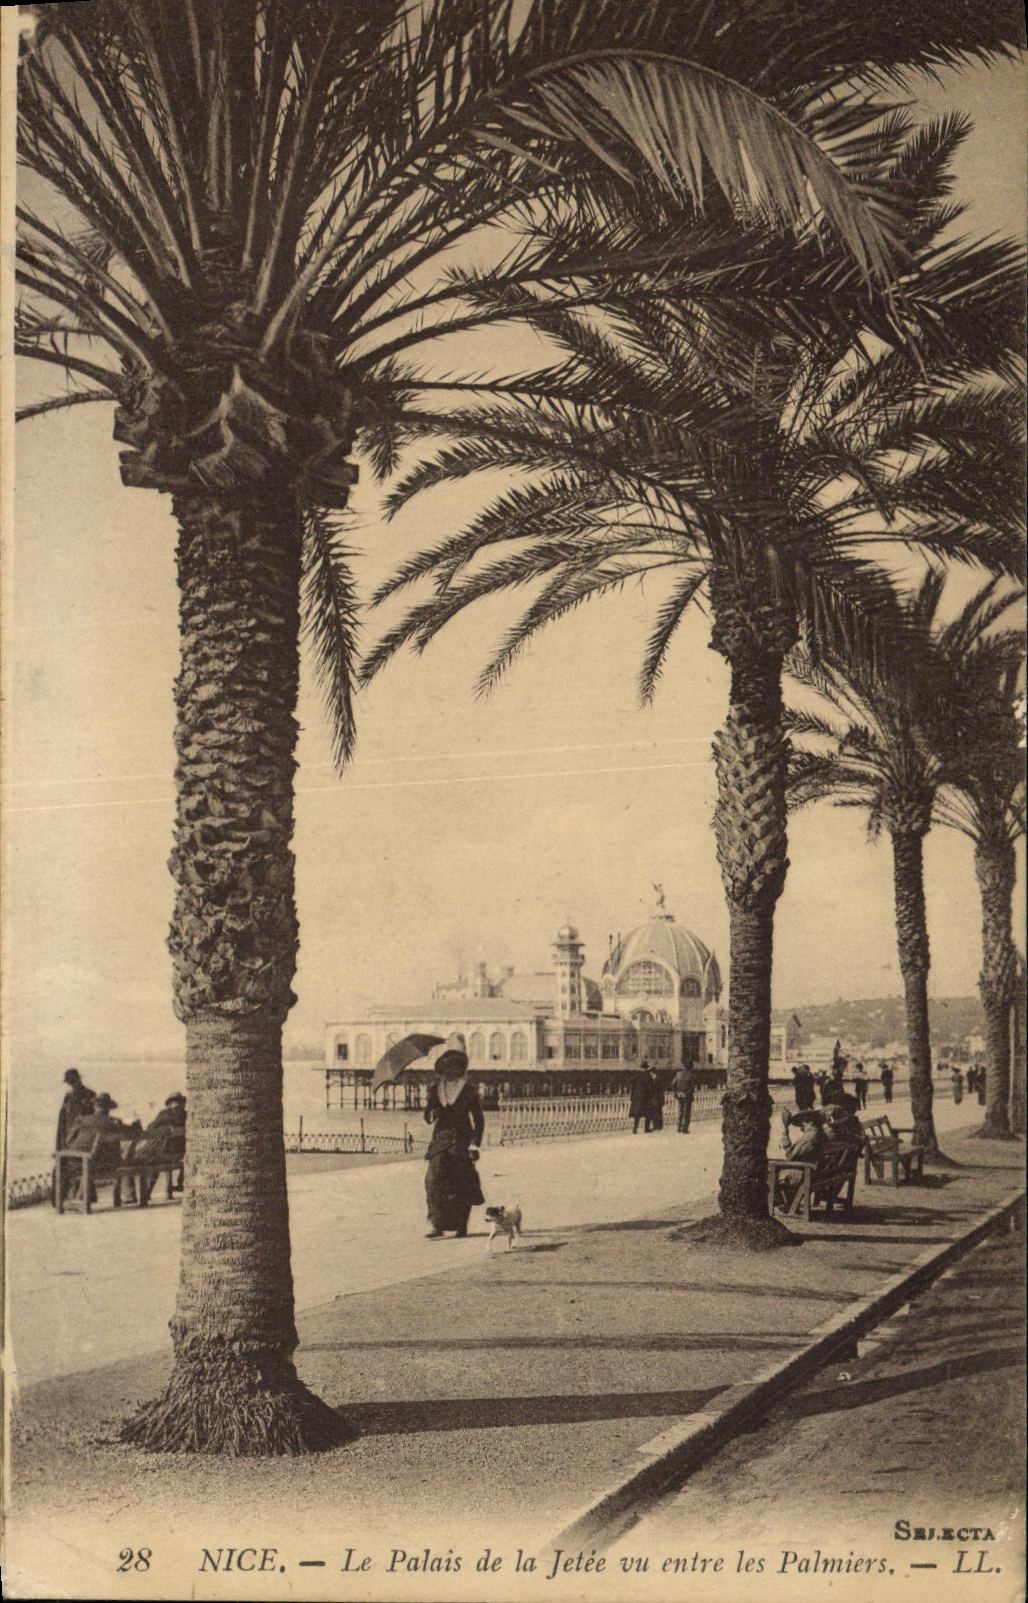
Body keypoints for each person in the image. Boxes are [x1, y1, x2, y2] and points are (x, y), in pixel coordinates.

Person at [423, 1048, 484, 1238]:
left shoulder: (468, 1090)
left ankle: (461, 1225)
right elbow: (427, 1114)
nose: (451, 1070)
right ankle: (437, 1225)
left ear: (460, 1069)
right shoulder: (435, 1089)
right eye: (447, 1067)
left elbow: (479, 1120)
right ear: (442, 1069)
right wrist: (432, 1114)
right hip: (440, 1141)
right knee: (433, 1181)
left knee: (462, 1183)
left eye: (455, 1067)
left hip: (462, 1140)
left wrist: (474, 1144)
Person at [629, 1063, 656, 1133]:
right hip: (646, 1098)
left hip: (637, 1097)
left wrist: (632, 1097)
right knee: (648, 1113)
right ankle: (646, 1128)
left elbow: (632, 1087)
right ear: (647, 1068)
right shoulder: (648, 1077)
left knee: (637, 1114)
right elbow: (651, 1088)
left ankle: (634, 1128)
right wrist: (652, 1096)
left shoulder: (636, 1076)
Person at [672, 1065, 696, 1133]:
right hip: (687, 1096)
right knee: (686, 1113)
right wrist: (686, 1093)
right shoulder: (691, 1075)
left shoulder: (678, 1074)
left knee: (679, 1112)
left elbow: (673, 1084)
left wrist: (677, 1092)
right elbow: (692, 1087)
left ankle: (678, 1127)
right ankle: (685, 1129)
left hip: (679, 1096)